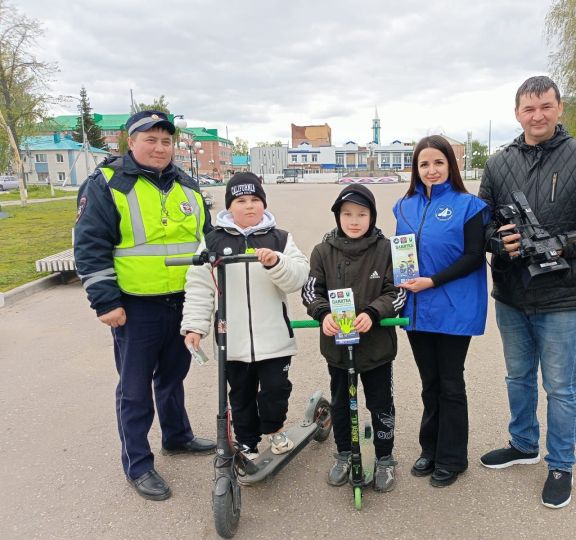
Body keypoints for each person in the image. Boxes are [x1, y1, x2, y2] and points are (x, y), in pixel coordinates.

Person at [478, 75, 576, 509]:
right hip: (511, 293)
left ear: (559, 108)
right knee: (517, 376)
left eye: (545, 106)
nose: (537, 115)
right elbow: (481, 223)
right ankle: (523, 444)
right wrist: (495, 242)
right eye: (529, 108)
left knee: (561, 386)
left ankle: (561, 464)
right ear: (517, 113)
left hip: (562, 294)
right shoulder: (499, 163)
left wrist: (562, 243)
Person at [74, 110, 216, 501]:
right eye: (150, 139)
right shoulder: (107, 183)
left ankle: (177, 436)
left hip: (183, 302)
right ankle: (138, 464)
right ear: (130, 142)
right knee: (135, 390)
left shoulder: (187, 184)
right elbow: (89, 246)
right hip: (135, 308)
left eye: (165, 141)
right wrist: (105, 301)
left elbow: (207, 241)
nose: (159, 147)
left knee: (173, 377)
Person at [181, 172, 309, 458]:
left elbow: (297, 276)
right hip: (233, 341)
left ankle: (275, 430)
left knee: (275, 391)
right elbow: (200, 288)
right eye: (241, 200)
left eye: (255, 200)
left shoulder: (281, 239)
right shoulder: (212, 242)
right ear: (229, 207)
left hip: (274, 339)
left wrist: (276, 262)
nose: (249, 206)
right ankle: (247, 441)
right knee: (240, 396)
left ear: (264, 203)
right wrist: (194, 326)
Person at [393, 135, 490, 488]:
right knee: (429, 383)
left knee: (450, 383)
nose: (431, 170)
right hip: (417, 310)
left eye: (438, 163)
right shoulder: (403, 207)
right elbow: (399, 252)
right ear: (415, 169)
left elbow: (473, 256)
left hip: (454, 308)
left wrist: (432, 281)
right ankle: (430, 448)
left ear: (451, 165)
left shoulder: (469, 206)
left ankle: (453, 457)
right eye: (424, 164)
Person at [302, 184, 406, 493]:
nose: (355, 220)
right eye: (347, 214)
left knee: (380, 403)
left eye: (362, 214)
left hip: (377, 348)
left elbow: (398, 292)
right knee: (342, 403)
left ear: (372, 216)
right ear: (338, 216)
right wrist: (323, 314)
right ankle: (345, 454)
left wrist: (374, 313)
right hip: (337, 348)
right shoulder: (323, 251)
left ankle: (385, 459)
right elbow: (311, 291)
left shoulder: (386, 249)